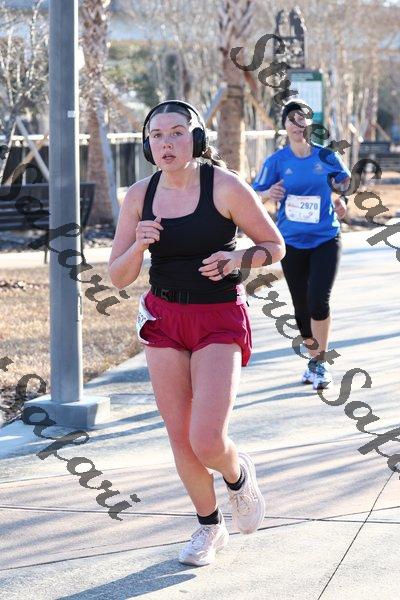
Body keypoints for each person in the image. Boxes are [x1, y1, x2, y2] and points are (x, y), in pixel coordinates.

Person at [108, 100, 285, 567]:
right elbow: (118, 276)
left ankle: (237, 474)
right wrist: (139, 244)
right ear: (147, 144)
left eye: (177, 133)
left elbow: (275, 247)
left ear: (197, 139)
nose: (166, 143)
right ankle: (209, 527)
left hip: (218, 317)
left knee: (206, 439)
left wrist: (238, 259)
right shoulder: (139, 195)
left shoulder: (224, 186)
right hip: (164, 319)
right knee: (181, 438)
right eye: (157, 135)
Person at [252, 99, 351, 390]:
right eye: (292, 120)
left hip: (325, 238)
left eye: (303, 119)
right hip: (291, 242)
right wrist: (269, 193)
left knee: (318, 299)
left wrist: (341, 200)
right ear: (284, 125)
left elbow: (344, 184)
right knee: (301, 305)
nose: (298, 125)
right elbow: (252, 197)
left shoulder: (326, 156)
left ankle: (320, 363)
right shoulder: (276, 162)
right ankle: (313, 360)